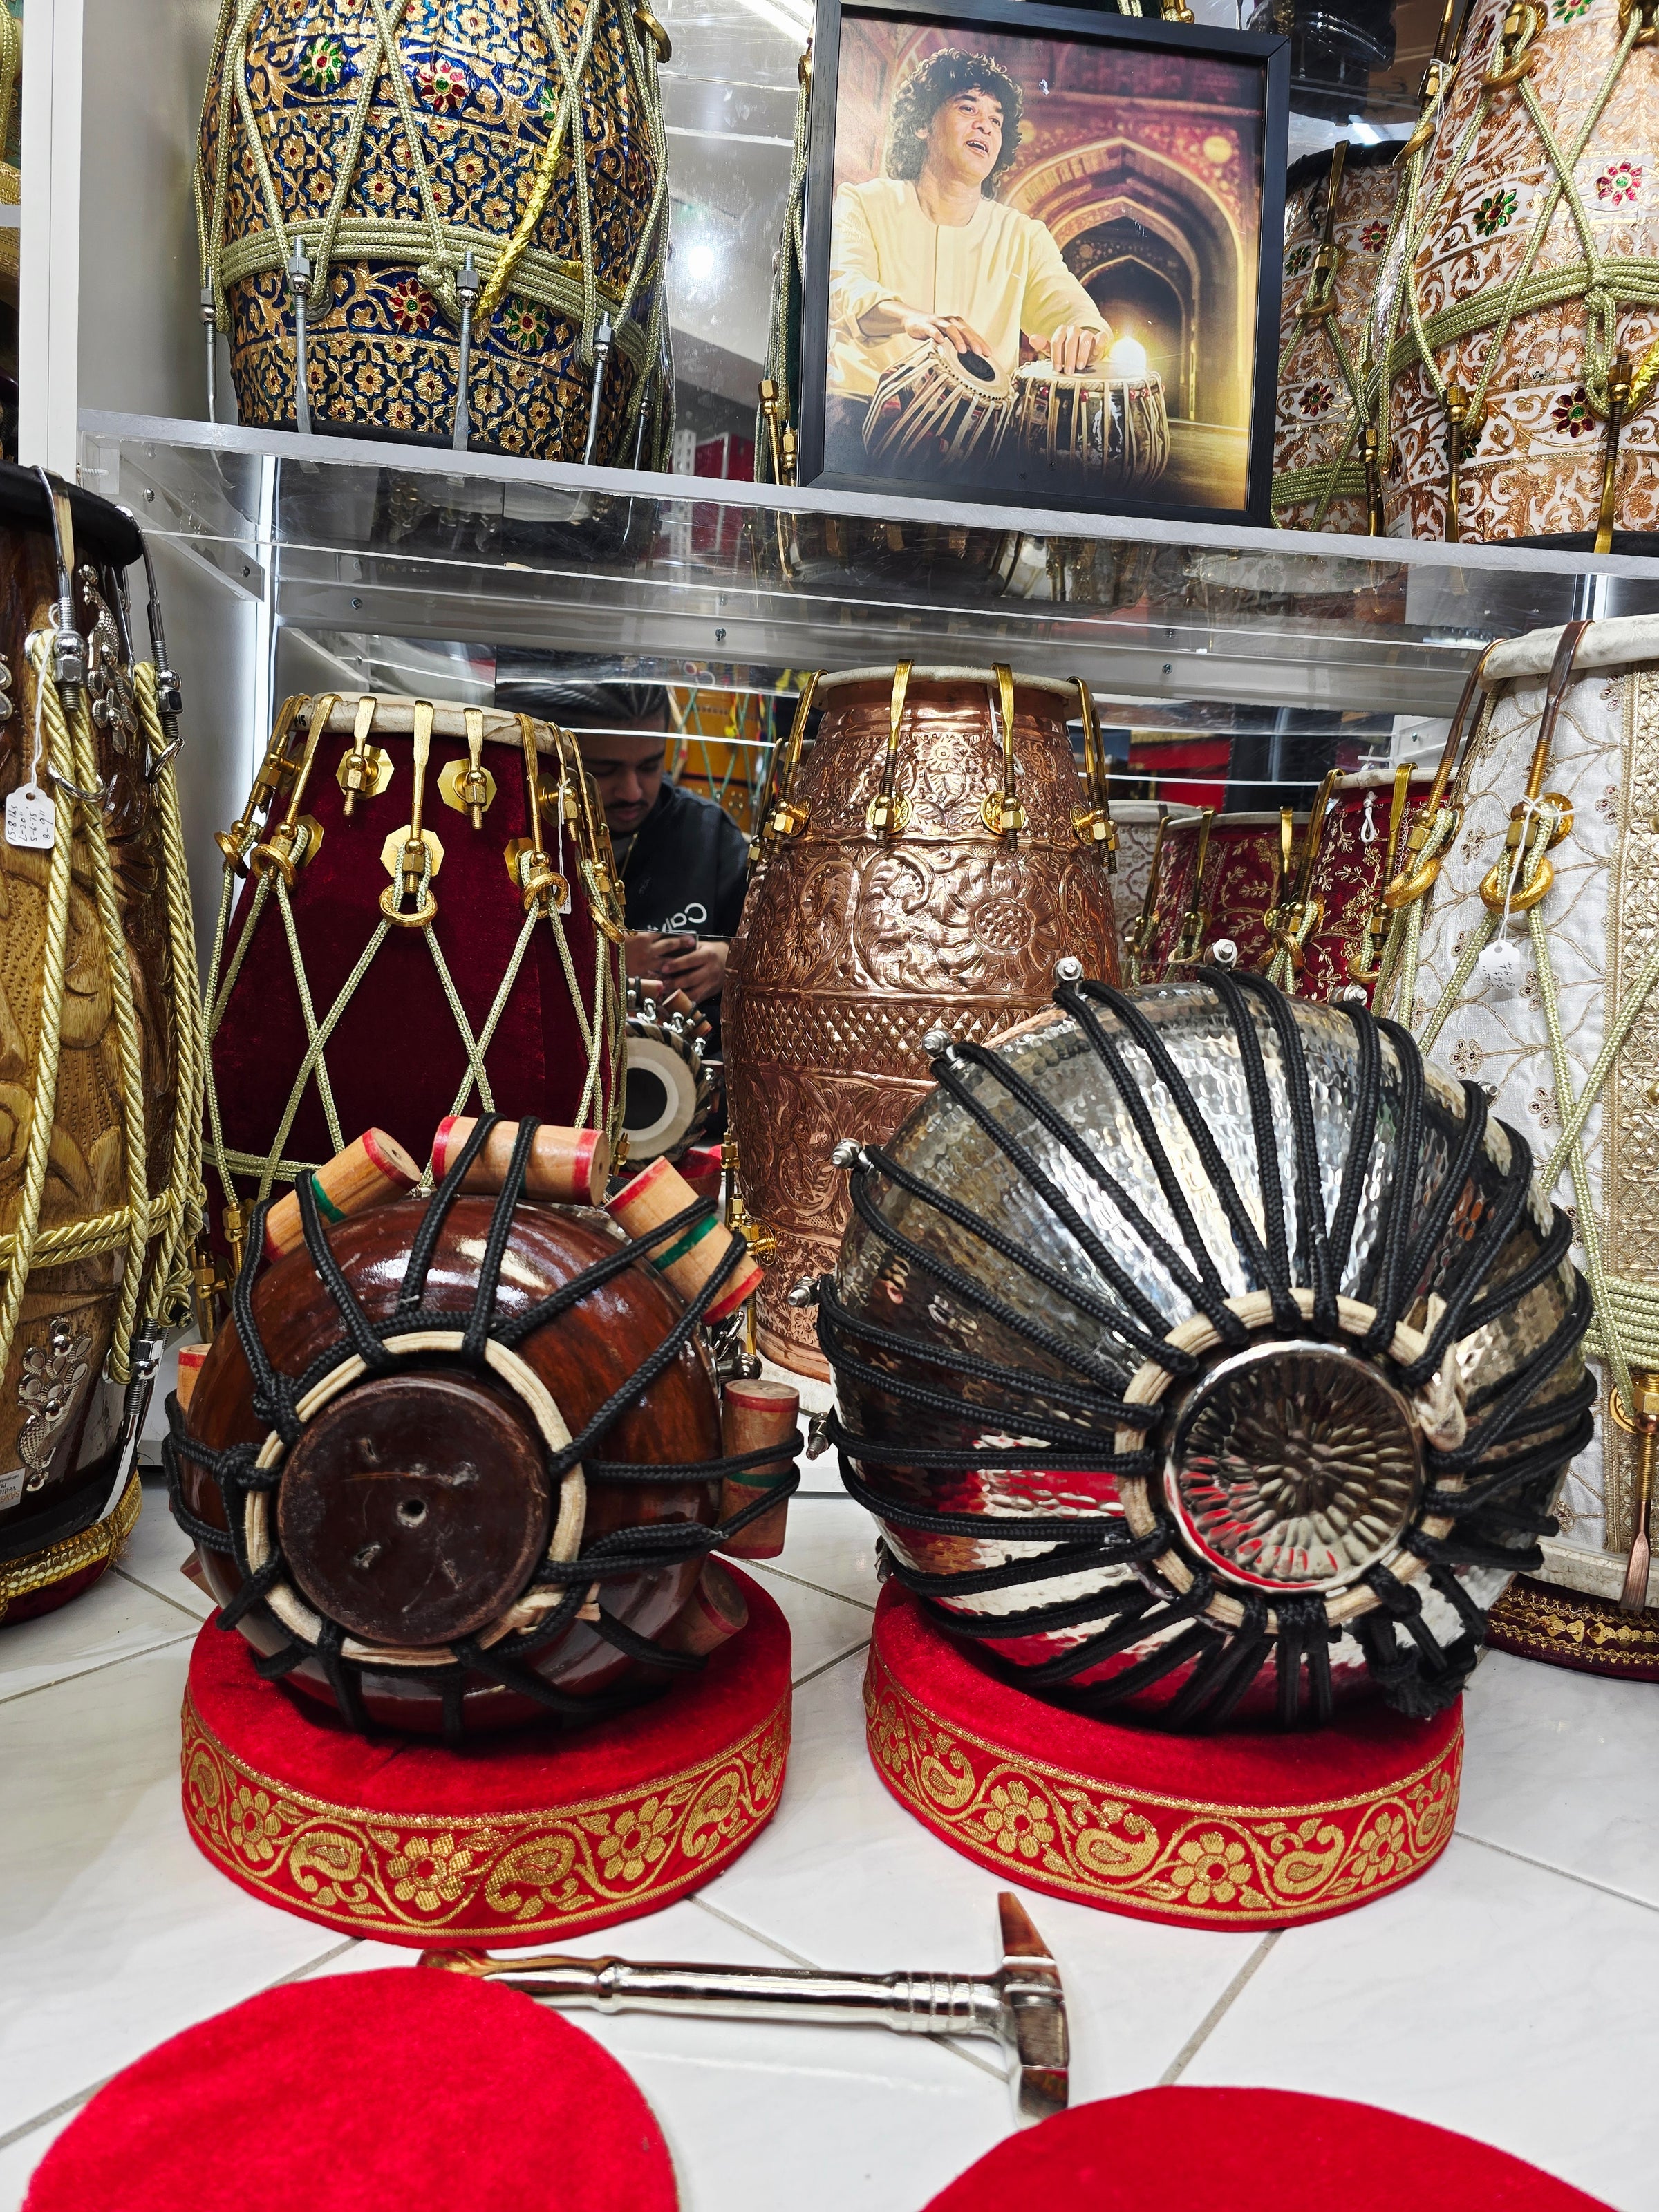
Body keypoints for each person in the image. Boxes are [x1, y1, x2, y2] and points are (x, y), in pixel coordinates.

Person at [825, 47, 1112, 471]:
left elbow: (1074, 313)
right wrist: (912, 318)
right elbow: (844, 288)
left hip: (981, 434)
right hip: (861, 414)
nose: (986, 126)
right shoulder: (865, 203)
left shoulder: (1023, 236)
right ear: (923, 124)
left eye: (996, 120)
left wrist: (1084, 336)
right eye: (968, 108)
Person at [498, 677, 748, 1018]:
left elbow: (774, 952)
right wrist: (603, 960)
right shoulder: (524, 837)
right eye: (605, 770)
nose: (632, 792)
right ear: (558, 762)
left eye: (650, 766)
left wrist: (730, 963)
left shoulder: (709, 835)